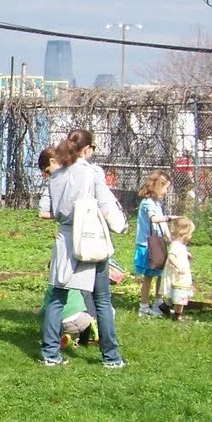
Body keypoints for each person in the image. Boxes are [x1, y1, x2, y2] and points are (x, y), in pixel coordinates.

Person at [40, 129, 126, 368]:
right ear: (87, 149)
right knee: (102, 300)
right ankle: (111, 357)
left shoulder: (56, 176)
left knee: (57, 297)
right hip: (89, 239)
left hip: (65, 239)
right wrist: (121, 225)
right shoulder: (92, 172)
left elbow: (50, 211)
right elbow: (106, 204)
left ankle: (50, 353)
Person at [134, 171, 172, 316]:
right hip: (147, 244)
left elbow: (162, 223)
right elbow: (155, 219)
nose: (166, 191)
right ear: (157, 185)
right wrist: (169, 218)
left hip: (158, 243)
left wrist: (169, 237)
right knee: (148, 276)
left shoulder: (157, 203)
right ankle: (144, 307)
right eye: (166, 187)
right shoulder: (147, 203)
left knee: (160, 273)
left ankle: (158, 302)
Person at [160, 215, 195, 320]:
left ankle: (165, 306)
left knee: (174, 292)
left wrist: (186, 254)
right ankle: (177, 315)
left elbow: (179, 252)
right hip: (178, 274)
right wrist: (179, 267)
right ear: (185, 233)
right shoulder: (176, 245)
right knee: (181, 294)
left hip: (179, 274)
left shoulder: (180, 245)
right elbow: (171, 256)